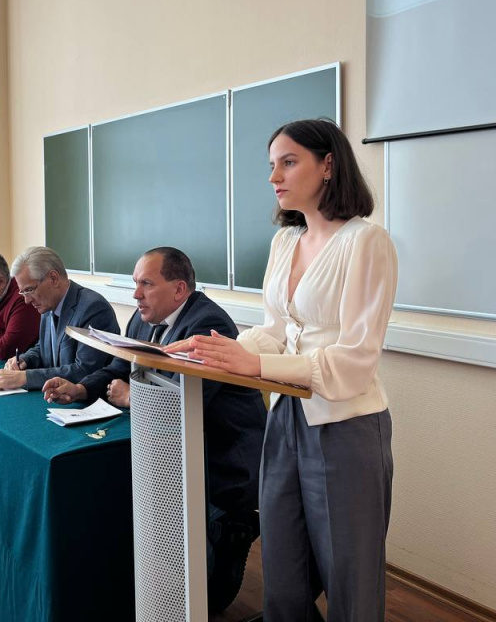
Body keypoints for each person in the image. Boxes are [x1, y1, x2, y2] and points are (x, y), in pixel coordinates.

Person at [167, 119, 398, 622]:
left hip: (345, 423)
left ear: (328, 164)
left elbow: (356, 360)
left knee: (350, 579)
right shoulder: (285, 242)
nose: (274, 177)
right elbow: (275, 329)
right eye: (272, 165)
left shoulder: (366, 241)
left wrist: (255, 363)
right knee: (284, 568)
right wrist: (214, 350)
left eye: (289, 162)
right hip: (285, 415)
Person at [43, 247, 266, 611]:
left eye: (146, 284)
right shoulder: (143, 318)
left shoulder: (208, 326)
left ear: (179, 289)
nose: (136, 294)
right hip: (174, 454)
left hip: (221, 468)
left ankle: (232, 533)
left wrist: (133, 397)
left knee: (209, 601)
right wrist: (82, 388)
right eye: (135, 283)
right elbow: (119, 366)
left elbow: (189, 401)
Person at [0, 246, 118, 391]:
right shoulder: (48, 304)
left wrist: (25, 378)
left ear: (53, 278)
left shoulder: (93, 308)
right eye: (23, 292)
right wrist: (25, 359)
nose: (27, 300)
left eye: (29, 290)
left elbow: (84, 371)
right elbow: (44, 348)